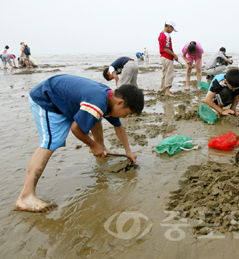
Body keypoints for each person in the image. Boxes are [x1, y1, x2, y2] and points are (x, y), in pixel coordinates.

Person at [14, 74, 144, 213]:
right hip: (46, 99)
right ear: (120, 102)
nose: (125, 117)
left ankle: (102, 149)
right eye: (127, 113)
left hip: (63, 101)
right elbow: (76, 129)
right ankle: (25, 196)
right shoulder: (97, 102)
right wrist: (93, 145)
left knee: (96, 116)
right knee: (52, 141)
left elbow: (118, 127)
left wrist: (128, 151)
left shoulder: (109, 99)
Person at [158, 20, 179, 97]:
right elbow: (166, 49)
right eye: (172, 29)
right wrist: (174, 55)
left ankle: (163, 88)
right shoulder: (166, 36)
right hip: (167, 57)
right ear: (169, 26)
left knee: (164, 73)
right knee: (169, 74)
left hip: (162, 56)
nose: (172, 31)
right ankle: (167, 90)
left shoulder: (161, 34)